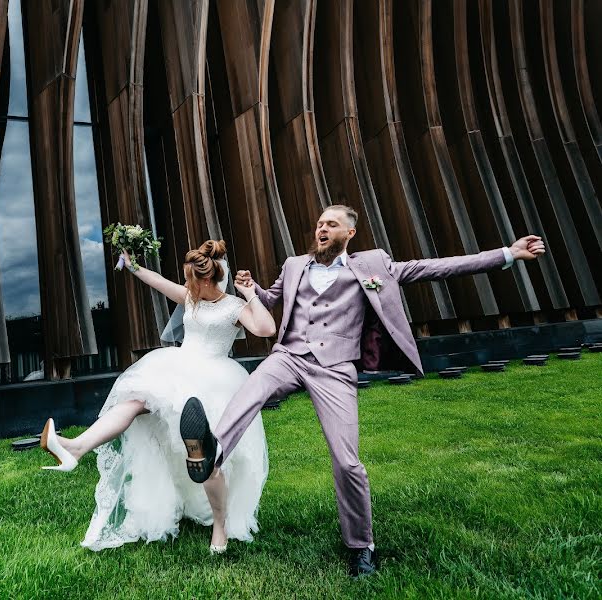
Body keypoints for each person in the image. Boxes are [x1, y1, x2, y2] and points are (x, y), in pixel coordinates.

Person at [180, 205, 546, 576]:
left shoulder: (374, 265)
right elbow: (273, 299)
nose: (322, 228)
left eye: (331, 224)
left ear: (349, 234)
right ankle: (214, 450)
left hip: (335, 368)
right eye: (319, 223)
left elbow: (436, 267)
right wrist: (251, 289)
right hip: (289, 355)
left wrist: (507, 255)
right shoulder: (293, 265)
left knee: (347, 461)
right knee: (251, 389)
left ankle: (361, 546)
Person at [40, 240, 277, 553]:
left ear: (206, 279)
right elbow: (158, 283)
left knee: (209, 456)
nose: (185, 284)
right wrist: (133, 265)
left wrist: (249, 295)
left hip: (215, 380)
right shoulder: (191, 299)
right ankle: (75, 448)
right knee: (134, 401)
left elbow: (265, 328)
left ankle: (220, 525)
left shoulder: (233, 308)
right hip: (176, 369)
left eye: (190, 278)